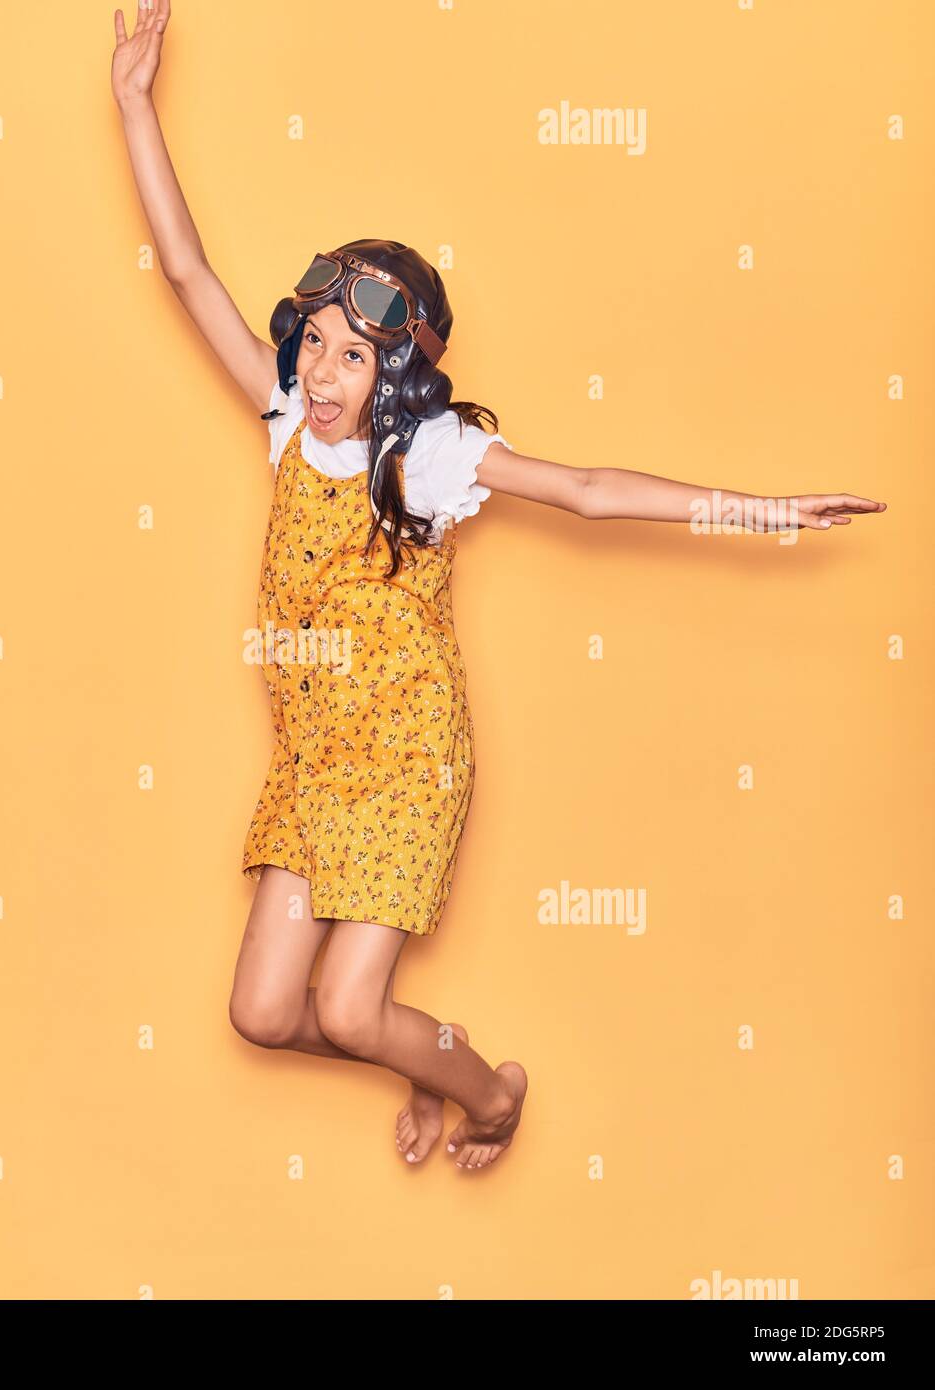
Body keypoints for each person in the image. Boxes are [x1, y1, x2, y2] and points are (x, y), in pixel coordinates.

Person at [110, 0, 887, 1171]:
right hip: (319, 758)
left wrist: (761, 509)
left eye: (354, 354)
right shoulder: (284, 423)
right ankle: (433, 1063)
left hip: (410, 757)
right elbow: (185, 271)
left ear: (399, 371)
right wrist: (132, 101)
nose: (322, 372)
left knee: (354, 1008)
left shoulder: (426, 460)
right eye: (313, 341)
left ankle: (493, 1094)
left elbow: (585, 489)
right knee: (267, 1015)